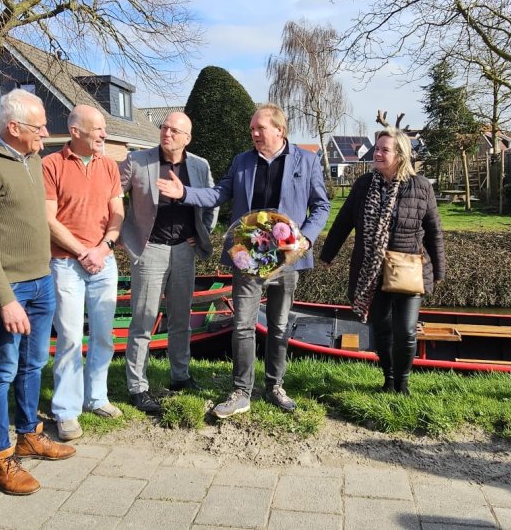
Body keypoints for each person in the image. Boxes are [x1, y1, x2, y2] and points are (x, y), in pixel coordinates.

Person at [157, 103, 329, 418]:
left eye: (259, 128)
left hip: (286, 259)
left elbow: (321, 206)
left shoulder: (306, 160)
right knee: (242, 325)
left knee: (279, 326)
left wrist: (306, 237)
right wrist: (184, 193)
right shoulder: (242, 161)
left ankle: (275, 386)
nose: (254, 134)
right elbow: (217, 195)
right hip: (247, 257)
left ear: (279, 130)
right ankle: (241, 392)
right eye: (252, 129)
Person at [0, 89, 77, 495]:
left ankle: (29, 434)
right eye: (38, 127)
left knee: (33, 364)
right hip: (10, 288)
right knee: (2, 370)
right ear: (13, 127)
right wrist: (5, 299)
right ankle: (0, 456)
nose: (46, 133)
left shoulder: (32, 161)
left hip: (41, 281)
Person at [319, 128, 447, 394]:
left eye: (384, 150)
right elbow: (343, 222)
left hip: (408, 270)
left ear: (400, 154)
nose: (377, 153)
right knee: (382, 330)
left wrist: (439, 270)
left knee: (406, 331)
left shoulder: (421, 186)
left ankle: (403, 383)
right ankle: (388, 379)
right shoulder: (364, 184)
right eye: (376, 149)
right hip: (372, 269)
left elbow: (434, 230)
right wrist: (327, 254)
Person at [118, 111, 217, 414]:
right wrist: (125, 235)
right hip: (150, 251)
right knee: (143, 320)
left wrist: (201, 232)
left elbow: (211, 199)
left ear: (187, 138)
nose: (167, 133)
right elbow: (110, 196)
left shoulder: (199, 165)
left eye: (175, 130)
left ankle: (180, 375)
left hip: (184, 251)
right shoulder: (137, 161)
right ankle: (138, 387)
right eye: (164, 127)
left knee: (181, 318)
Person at [43, 104, 125, 441]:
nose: (104, 134)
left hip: (104, 261)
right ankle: (66, 410)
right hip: (65, 263)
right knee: (70, 337)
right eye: (98, 129)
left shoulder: (109, 165)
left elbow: (118, 212)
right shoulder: (51, 165)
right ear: (76, 131)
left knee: (104, 334)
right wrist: (81, 251)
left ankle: (96, 397)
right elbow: (48, 219)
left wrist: (104, 248)